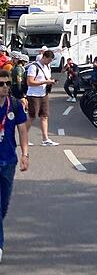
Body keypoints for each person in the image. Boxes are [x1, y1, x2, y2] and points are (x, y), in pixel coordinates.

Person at [0, 68, 29, 263]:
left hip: (8, 161)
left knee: (3, 206)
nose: (5, 87)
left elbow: (23, 131)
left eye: (7, 84)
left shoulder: (15, 105)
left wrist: (25, 154)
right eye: (1, 84)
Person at [26, 50, 58, 146]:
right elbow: (30, 82)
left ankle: (45, 139)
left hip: (43, 94)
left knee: (44, 116)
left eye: (51, 60)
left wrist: (50, 82)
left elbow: (46, 79)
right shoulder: (33, 67)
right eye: (48, 60)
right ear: (43, 57)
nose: (49, 62)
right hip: (33, 95)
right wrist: (44, 82)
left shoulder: (47, 67)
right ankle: (24, 136)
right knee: (32, 116)